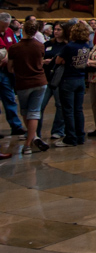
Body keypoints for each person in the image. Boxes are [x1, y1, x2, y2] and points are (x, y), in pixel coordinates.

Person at [8, 19, 49, 155]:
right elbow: (40, 61)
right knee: (33, 112)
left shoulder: (15, 48)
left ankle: (27, 144)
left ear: (23, 30)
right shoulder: (40, 45)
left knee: (27, 111)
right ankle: (33, 138)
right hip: (40, 81)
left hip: (23, 82)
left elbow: (10, 68)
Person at [56, 20, 92, 146]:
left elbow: (58, 60)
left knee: (68, 110)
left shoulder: (69, 47)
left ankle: (70, 137)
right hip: (81, 79)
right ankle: (80, 136)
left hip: (68, 79)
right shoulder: (86, 46)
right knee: (78, 109)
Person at [38, 21, 67, 140]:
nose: (56, 31)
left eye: (59, 29)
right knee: (40, 105)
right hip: (46, 77)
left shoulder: (67, 45)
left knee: (60, 105)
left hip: (59, 78)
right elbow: (40, 57)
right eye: (55, 29)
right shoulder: (48, 44)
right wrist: (43, 61)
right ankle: (35, 131)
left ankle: (58, 130)